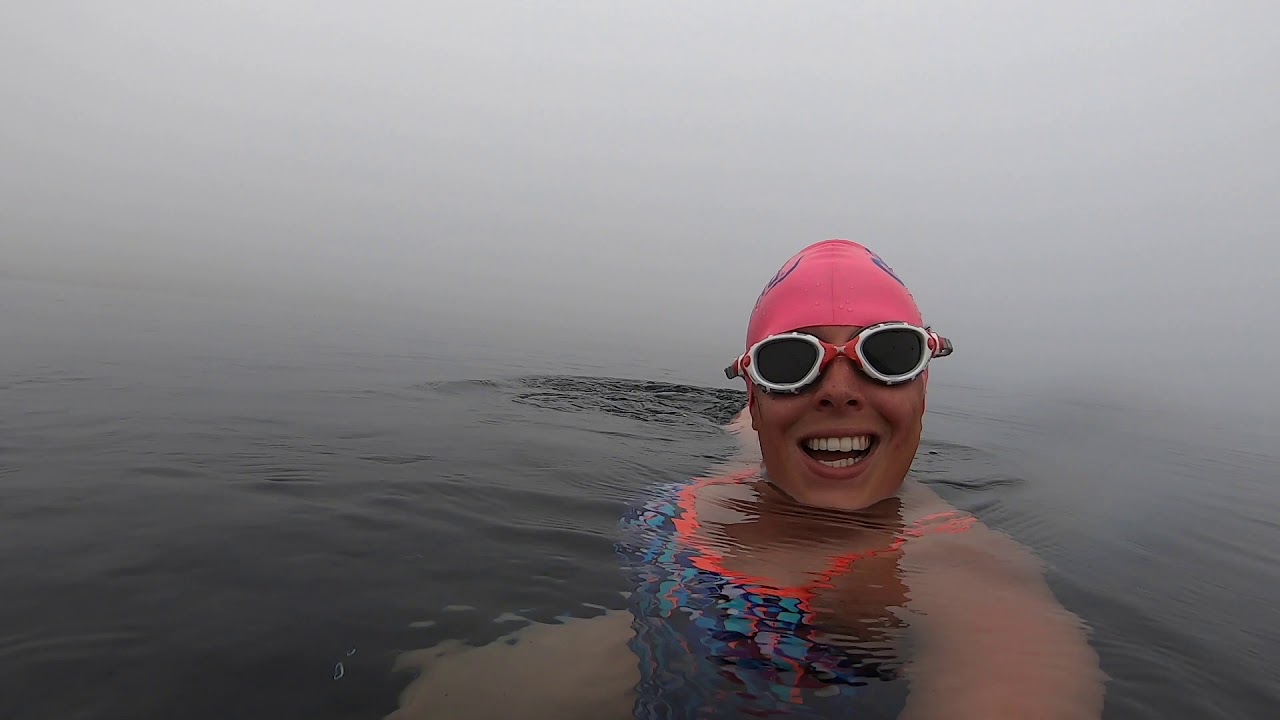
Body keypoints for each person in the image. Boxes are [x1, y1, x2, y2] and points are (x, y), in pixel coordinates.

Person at [387, 239, 1106, 720]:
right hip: (645, 648)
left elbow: (1016, 674)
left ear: (923, 383)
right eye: (793, 364)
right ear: (756, 400)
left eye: (884, 355)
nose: (839, 390)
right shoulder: (740, 467)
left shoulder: (956, 568)